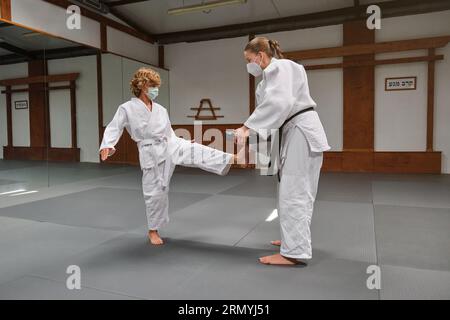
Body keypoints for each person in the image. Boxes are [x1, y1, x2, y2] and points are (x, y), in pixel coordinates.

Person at [99, 67, 235, 245]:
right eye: (152, 85)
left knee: (195, 149)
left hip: (169, 144)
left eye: (156, 86)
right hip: (149, 152)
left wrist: (181, 140)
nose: (155, 89)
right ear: (141, 85)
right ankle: (153, 230)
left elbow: (169, 132)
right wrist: (108, 145)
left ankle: (228, 158)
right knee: (155, 193)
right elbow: (114, 126)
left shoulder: (161, 109)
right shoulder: (127, 108)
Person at [234, 37, 331, 266]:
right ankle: (292, 240)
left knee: (294, 192)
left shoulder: (282, 66)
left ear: (260, 55)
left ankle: (293, 253)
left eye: (249, 60)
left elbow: (280, 103)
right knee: (292, 190)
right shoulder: (266, 81)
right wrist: (256, 151)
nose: (249, 65)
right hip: (294, 132)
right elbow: (269, 113)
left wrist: (247, 127)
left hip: (300, 130)